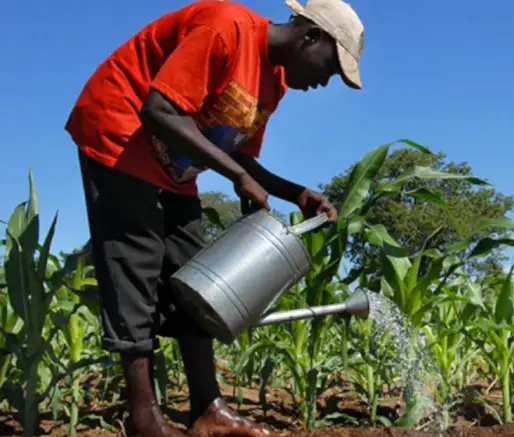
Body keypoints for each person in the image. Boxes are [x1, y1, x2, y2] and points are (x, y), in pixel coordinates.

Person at [63, 0, 365, 436]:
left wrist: (295, 193)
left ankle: (207, 408)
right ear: (310, 36)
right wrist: (238, 176)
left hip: (174, 165)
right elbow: (158, 110)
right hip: (121, 135)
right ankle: (143, 415)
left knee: (195, 274)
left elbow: (236, 153)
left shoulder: (272, 84)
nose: (326, 80)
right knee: (136, 266)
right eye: (331, 67)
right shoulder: (226, 28)